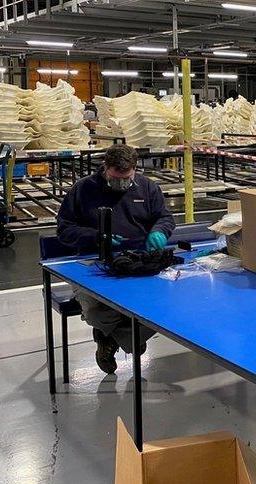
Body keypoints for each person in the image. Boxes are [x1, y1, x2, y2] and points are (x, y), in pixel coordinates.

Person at [56, 144, 175, 373]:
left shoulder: (147, 187)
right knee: (94, 310)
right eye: (114, 178)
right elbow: (64, 230)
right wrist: (96, 237)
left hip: (139, 261)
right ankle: (121, 337)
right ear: (105, 168)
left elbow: (165, 217)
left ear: (135, 170)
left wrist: (160, 231)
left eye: (126, 178)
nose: (121, 183)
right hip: (94, 264)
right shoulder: (83, 189)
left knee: (167, 308)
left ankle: (109, 337)